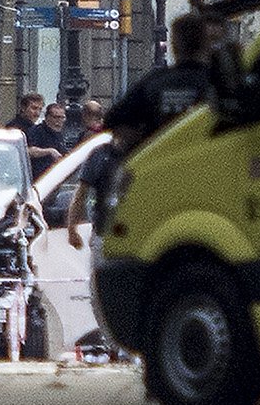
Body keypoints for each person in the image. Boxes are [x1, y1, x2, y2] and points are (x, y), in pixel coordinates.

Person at [68, 14, 218, 247]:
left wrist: (144, 141)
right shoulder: (219, 84)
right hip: (211, 186)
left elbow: (113, 120)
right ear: (206, 43)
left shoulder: (156, 83)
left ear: (175, 46)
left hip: (159, 187)